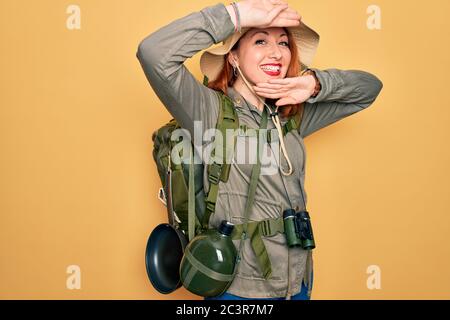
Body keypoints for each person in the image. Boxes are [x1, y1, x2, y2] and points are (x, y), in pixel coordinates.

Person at [136, 0, 383, 300]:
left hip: (298, 284)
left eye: (283, 42)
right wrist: (236, 15)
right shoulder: (208, 112)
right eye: (260, 40)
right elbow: (153, 53)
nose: (276, 52)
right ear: (234, 56)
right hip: (239, 290)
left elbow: (369, 89)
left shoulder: (290, 116)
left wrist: (315, 84)